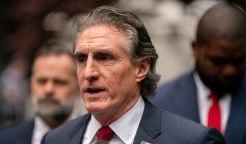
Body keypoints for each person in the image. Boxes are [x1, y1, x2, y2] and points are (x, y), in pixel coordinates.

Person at [40, 6, 225, 144]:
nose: (88, 73)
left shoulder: (193, 140)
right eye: (81, 59)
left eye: (104, 57)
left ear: (141, 68)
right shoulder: (55, 140)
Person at [150, 3, 246, 144]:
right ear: (195, 48)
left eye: (238, 61)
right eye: (217, 61)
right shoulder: (159, 104)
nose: (229, 71)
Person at [0, 44, 83, 144]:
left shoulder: (94, 138)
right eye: (42, 81)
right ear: (31, 84)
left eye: (59, 82)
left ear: (78, 87)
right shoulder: (0, 141)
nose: (48, 90)